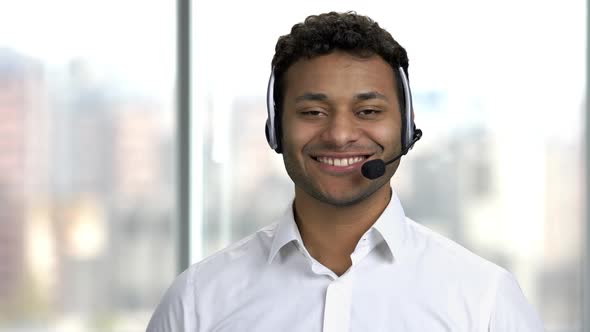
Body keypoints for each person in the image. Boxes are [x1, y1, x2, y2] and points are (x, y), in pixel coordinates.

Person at [147, 11, 544, 331]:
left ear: (406, 128)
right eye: (312, 112)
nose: (339, 135)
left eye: (368, 111)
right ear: (275, 128)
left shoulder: (484, 300)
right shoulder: (197, 301)